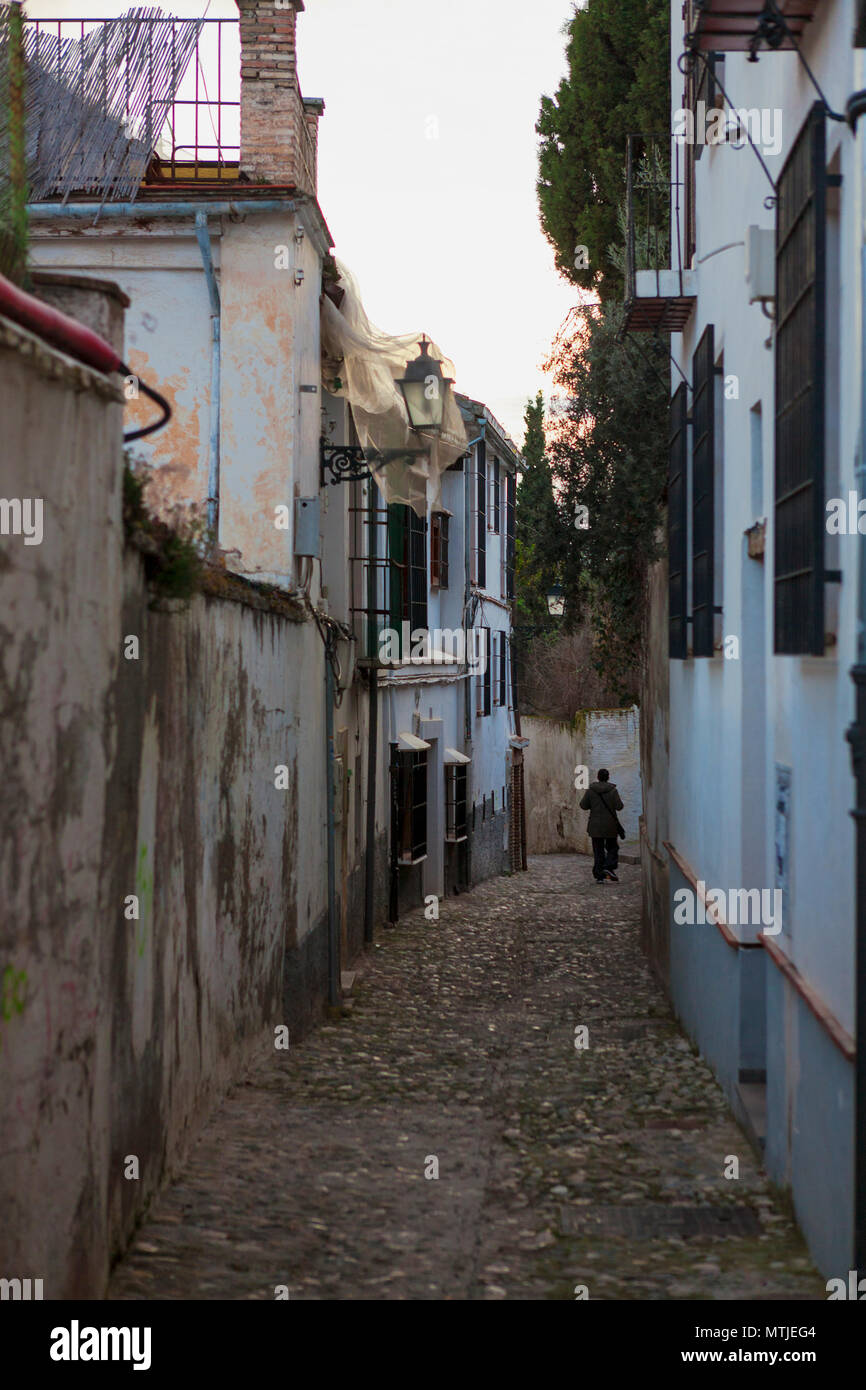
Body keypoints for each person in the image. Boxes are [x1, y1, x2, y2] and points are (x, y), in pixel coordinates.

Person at [579, 768, 624, 883]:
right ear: (608, 777)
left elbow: (583, 805)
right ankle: (608, 867)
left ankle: (599, 876)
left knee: (598, 850)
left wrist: (593, 804)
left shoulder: (591, 790)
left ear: (598, 777)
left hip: (595, 826)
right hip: (610, 826)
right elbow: (619, 806)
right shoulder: (613, 790)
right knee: (612, 847)